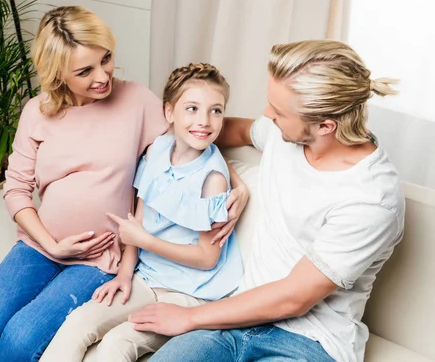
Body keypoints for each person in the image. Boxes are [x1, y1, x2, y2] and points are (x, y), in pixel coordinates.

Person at [0, 6, 249, 362]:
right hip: (39, 245)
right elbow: (15, 190)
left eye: (106, 59)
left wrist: (237, 181)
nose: (103, 76)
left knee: (21, 337)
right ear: (57, 74)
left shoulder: (136, 101)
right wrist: (52, 244)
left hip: (98, 259)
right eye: (85, 71)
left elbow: (197, 129)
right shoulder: (37, 111)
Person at [128, 40, 405, 362]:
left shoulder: (371, 200)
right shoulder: (283, 132)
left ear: (325, 126)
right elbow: (212, 131)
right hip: (228, 320)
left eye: (278, 111)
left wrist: (188, 318)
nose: (266, 114)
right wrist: (231, 177)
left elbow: (294, 298)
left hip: (307, 342)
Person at [41, 63, 245, 362]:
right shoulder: (157, 150)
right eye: (192, 108)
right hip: (148, 276)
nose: (204, 121)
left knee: (116, 344)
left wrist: (145, 241)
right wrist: (124, 274)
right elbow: (138, 220)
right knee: (77, 324)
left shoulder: (213, 180)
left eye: (216, 110)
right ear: (168, 113)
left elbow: (207, 257)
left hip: (190, 291)